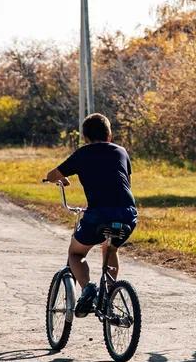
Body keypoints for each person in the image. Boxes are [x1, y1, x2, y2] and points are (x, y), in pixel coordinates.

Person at [44, 113, 137, 316]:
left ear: (85, 137)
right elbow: (125, 181)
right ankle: (110, 296)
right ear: (109, 134)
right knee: (110, 248)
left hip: (99, 214)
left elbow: (52, 175)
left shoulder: (83, 153)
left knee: (76, 253)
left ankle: (88, 288)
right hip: (128, 214)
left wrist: (62, 180)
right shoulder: (121, 152)